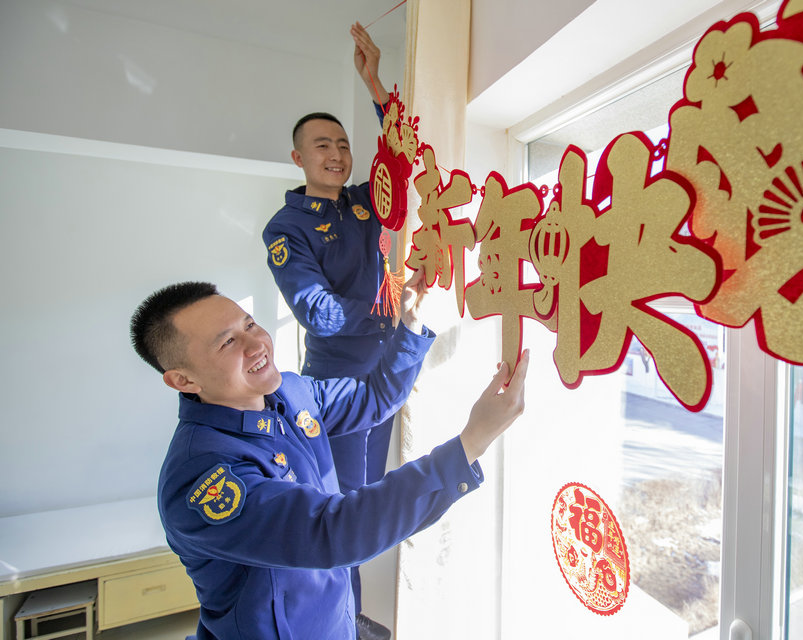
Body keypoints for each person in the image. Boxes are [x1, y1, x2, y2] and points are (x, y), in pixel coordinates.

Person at [129, 273, 529, 640]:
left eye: (249, 325)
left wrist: (408, 325)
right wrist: (470, 444)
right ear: (183, 379)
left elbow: (373, 398)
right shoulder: (201, 477)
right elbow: (331, 532)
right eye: (227, 342)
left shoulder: (289, 392)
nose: (256, 345)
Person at [261, 24, 394, 633]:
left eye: (342, 144)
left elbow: (400, 156)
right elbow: (320, 313)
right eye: (322, 145)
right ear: (299, 158)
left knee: (372, 497)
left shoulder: (365, 202)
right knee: (347, 510)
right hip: (338, 385)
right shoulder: (286, 228)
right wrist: (389, 305)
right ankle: (345, 623)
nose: (336, 154)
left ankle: (351, 617)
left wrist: (375, 85)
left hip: (384, 374)